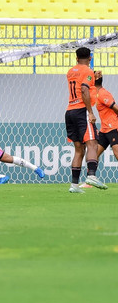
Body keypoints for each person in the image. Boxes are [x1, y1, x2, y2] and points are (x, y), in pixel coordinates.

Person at [65, 47, 106, 193]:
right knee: (93, 143)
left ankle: (74, 185)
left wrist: (92, 76)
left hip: (70, 110)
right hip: (82, 111)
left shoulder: (70, 71)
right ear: (90, 58)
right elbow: (83, 89)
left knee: (78, 149)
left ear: (76, 58)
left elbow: (79, 82)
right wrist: (90, 112)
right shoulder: (88, 71)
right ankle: (91, 175)